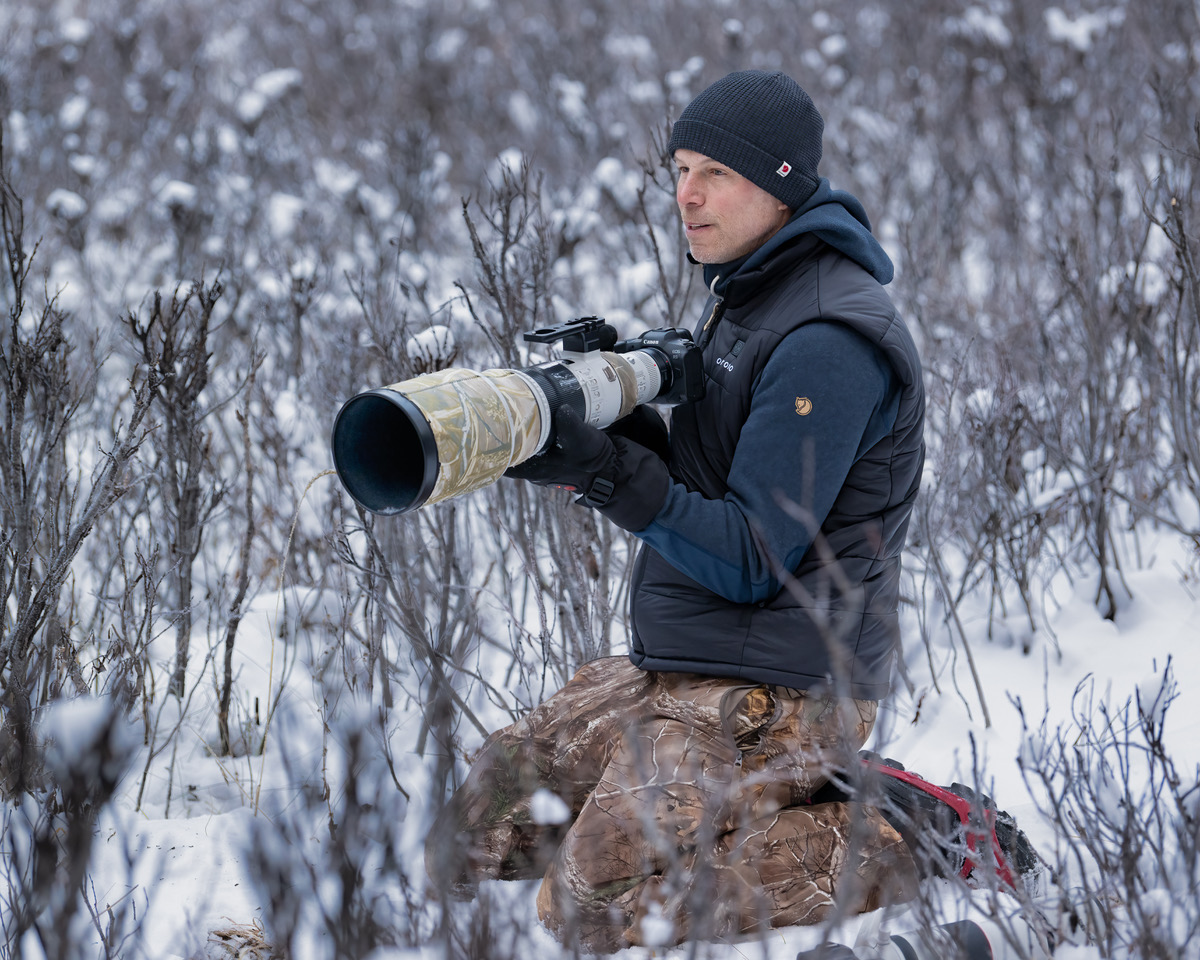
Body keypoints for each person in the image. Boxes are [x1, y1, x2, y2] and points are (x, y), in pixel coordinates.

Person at [426, 69, 929, 952]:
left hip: (786, 688)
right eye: (679, 169)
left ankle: (896, 834)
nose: (685, 195)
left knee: (587, 904)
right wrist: (593, 442)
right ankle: (763, 799)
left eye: (716, 175)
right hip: (689, 661)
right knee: (476, 832)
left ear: (779, 185)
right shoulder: (749, 292)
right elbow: (711, 478)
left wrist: (615, 473)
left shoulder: (827, 338)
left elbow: (750, 556)